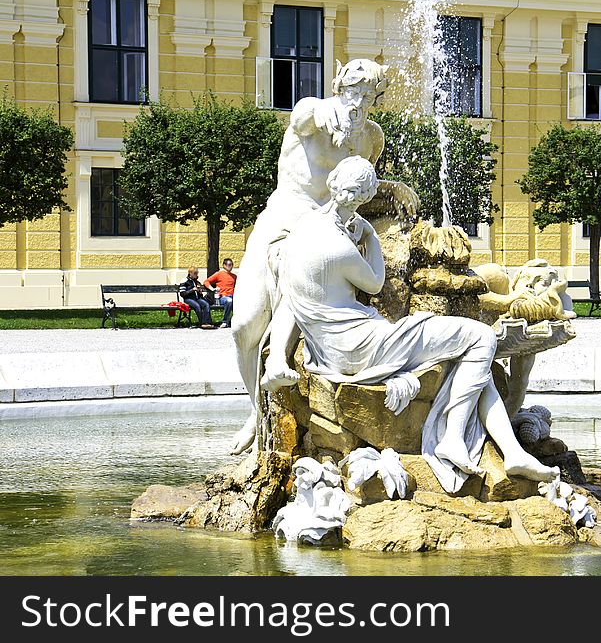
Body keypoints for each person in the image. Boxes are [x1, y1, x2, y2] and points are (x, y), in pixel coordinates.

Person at [232, 156, 559, 492]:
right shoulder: (341, 248)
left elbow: (291, 300)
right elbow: (375, 282)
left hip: (331, 350)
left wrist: (278, 357)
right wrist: (371, 236)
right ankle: (453, 439)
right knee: (480, 339)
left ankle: (512, 450)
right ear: (362, 198)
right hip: (367, 346)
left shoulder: (301, 231)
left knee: (470, 362)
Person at [230, 58, 418, 452]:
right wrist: (325, 109)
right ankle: (253, 409)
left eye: (369, 95)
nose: (360, 102)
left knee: (298, 289)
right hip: (285, 216)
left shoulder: (370, 138)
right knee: (244, 324)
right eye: (354, 92)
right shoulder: (312, 113)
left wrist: (392, 186)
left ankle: (269, 399)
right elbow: (302, 118)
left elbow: (357, 184)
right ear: (338, 87)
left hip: (324, 231)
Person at [205, 258, 236, 328]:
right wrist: (212, 289)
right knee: (229, 301)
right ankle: (225, 321)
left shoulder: (234, 276)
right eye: (229, 265)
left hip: (233, 296)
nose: (230, 266)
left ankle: (237, 321)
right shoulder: (219, 274)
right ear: (224, 265)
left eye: (231, 265)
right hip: (223, 297)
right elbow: (206, 282)